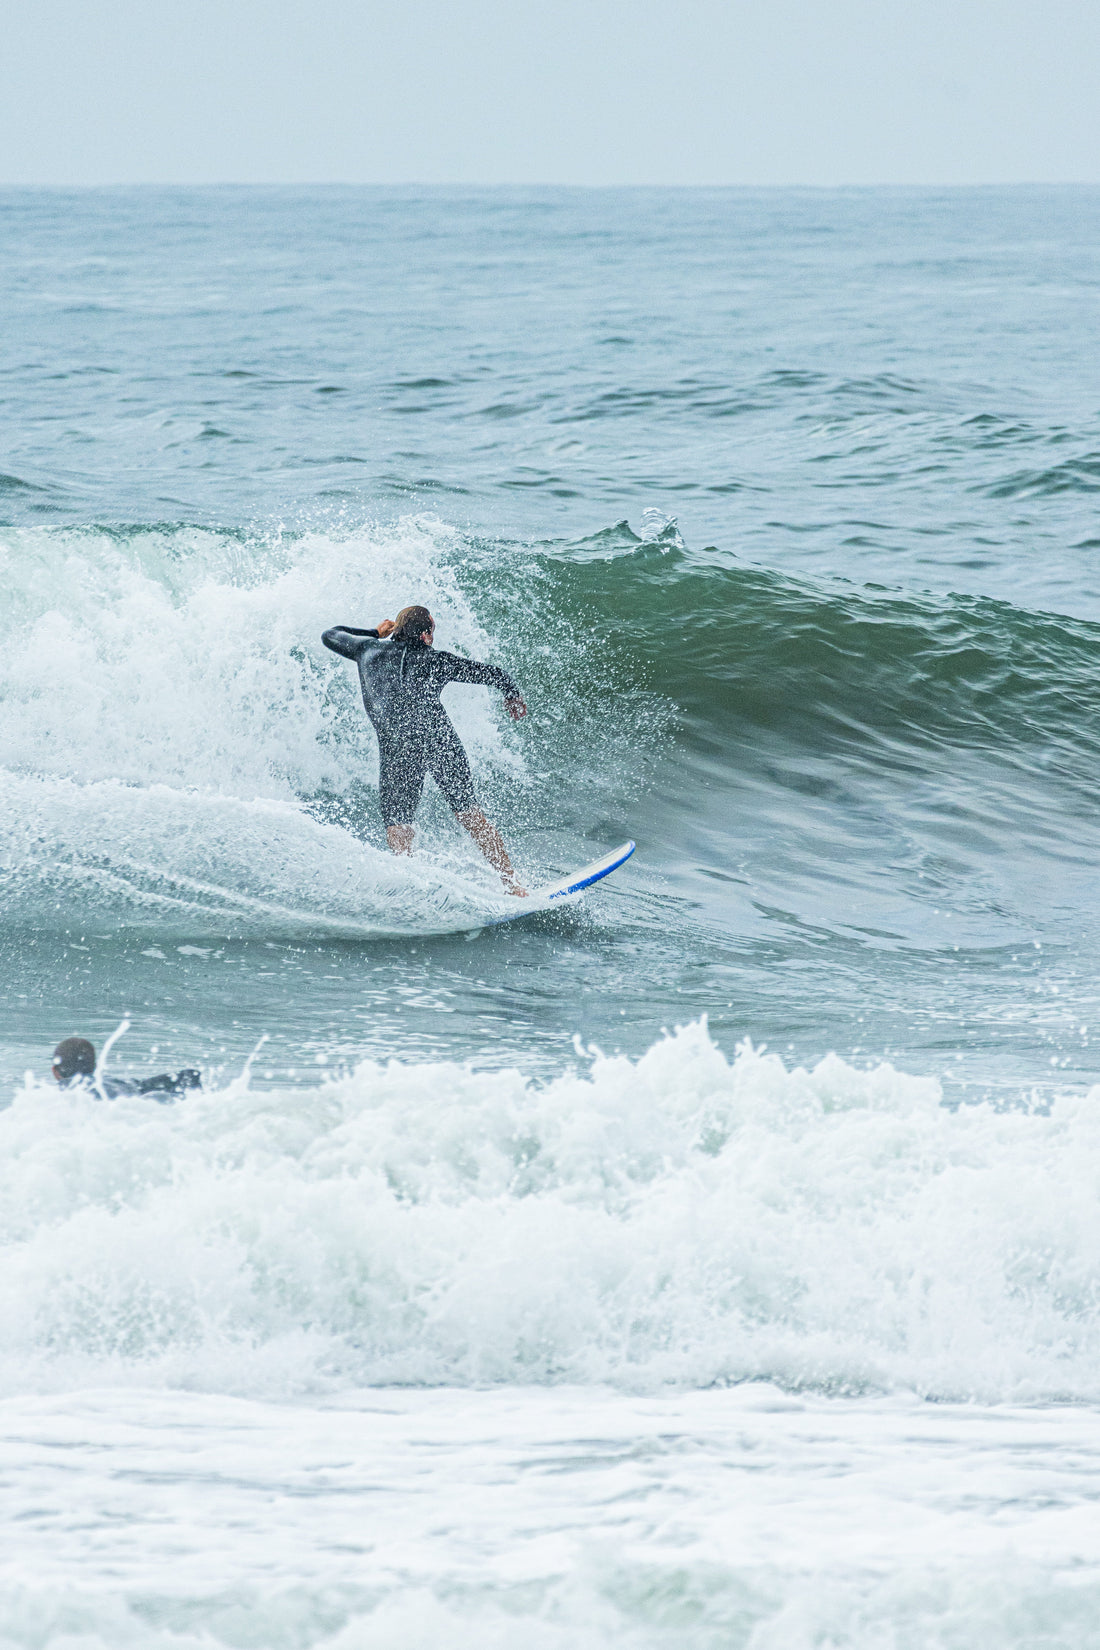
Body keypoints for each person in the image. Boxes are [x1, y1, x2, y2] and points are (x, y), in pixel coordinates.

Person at [322, 604, 529, 893]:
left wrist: (373, 632)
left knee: (398, 821)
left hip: (397, 745)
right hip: (436, 740)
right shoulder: (436, 661)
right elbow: (493, 673)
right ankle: (513, 885)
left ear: (396, 630)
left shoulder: (367, 651)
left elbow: (330, 634)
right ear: (426, 636)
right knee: (468, 811)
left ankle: (407, 883)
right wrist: (512, 693)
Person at [51, 1037, 202, 1102]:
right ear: (95, 1067)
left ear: (55, 1072)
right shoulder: (124, 1083)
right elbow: (190, 1076)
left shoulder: (59, 1094)